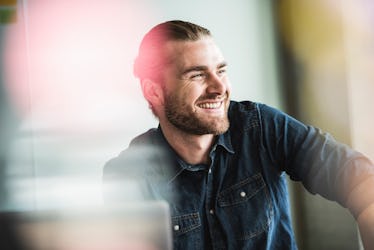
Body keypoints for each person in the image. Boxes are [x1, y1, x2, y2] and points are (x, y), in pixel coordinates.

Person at [103, 20, 374, 249]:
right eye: (197, 75)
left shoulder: (261, 126)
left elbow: (358, 179)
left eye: (221, 71)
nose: (219, 87)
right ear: (153, 92)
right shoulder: (130, 174)